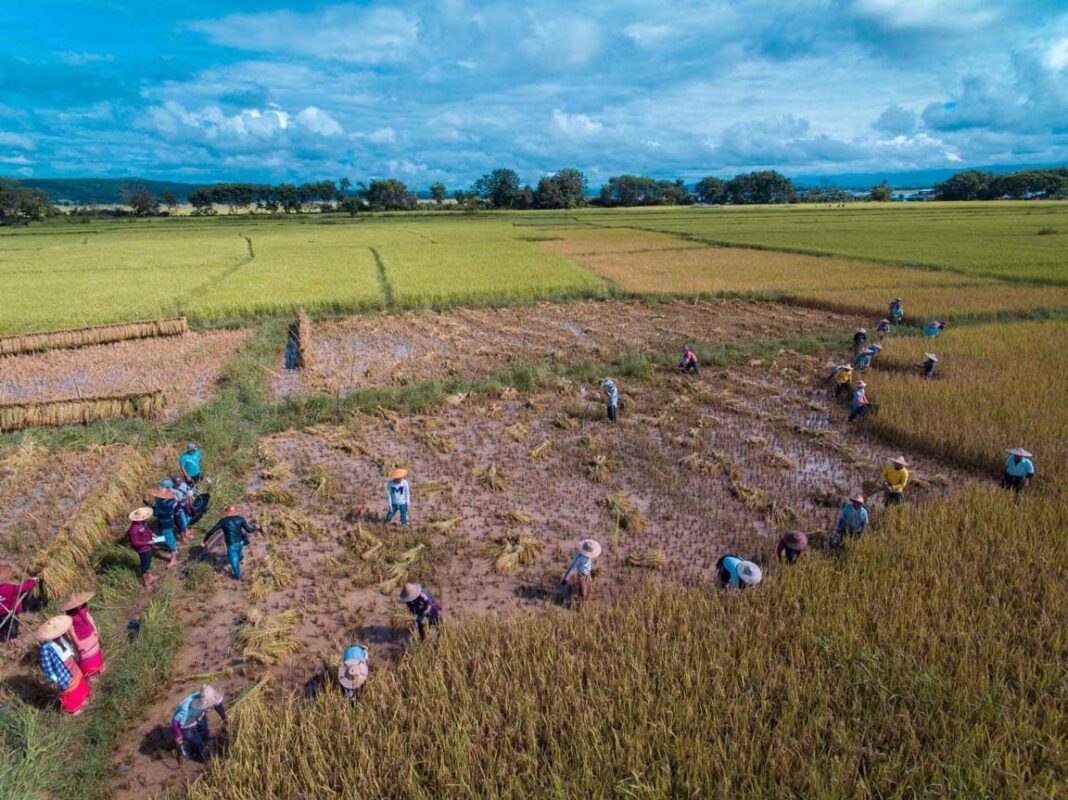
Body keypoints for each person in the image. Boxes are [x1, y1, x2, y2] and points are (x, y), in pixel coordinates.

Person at [37, 615, 91, 716]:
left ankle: (81, 700)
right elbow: (48, 667)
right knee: (70, 689)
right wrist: (55, 678)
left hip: (72, 666)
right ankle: (73, 708)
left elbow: (69, 649)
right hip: (62, 672)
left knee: (78, 683)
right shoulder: (46, 649)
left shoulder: (62, 638)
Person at [172, 684, 227, 763]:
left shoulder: (209, 695)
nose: (210, 708)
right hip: (186, 723)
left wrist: (224, 717)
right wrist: (178, 735)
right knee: (197, 743)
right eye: (209, 706)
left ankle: (203, 743)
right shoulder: (186, 709)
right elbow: (175, 721)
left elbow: (217, 705)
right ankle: (193, 753)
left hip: (199, 715)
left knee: (204, 733)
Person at [203, 506, 260, 580]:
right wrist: (256, 528)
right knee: (239, 553)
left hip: (231, 545)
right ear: (235, 511)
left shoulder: (223, 521)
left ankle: (238, 577)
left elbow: (212, 531)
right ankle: (241, 559)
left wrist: (205, 540)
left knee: (235, 565)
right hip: (240, 543)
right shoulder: (240, 519)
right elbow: (249, 530)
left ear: (227, 512)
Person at [61, 592, 105, 678]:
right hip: (81, 639)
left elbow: (89, 618)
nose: (79, 605)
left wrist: (95, 629)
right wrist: (76, 643)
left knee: (95, 649)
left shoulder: (84, 609)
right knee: (86, 655)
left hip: (90, 634)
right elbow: (71, 631)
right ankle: (90, 674)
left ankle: (99, 666)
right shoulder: (70, 617)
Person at [0, 565, 39, 642]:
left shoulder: (6, 587)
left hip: (2, 613)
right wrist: (33, 581)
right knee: (12, 626)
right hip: (8, 614)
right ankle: (11, 639)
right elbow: (23, 588)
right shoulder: (9, 588)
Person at [560, 538, 602, 605]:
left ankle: (585, 600)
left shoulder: (588, 557)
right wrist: (566, 579)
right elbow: (572, 568)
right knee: (582, 591)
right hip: (581, 576)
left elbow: (588, 565)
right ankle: (581, 602)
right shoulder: (580, 558)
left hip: (588, 574)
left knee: (589, 587)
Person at [149, 486, 178, 568]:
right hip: (170, 521)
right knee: (170, 534)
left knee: (168, 538)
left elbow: (155, 513)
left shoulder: (163, 505)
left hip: (165, 523)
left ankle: (173, 558)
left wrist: (153, 508)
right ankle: (175, 548)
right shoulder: (170, 501)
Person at [128, 507, 157, 588]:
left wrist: (152, 534)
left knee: (148, 562)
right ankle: (146, 582)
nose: (145, 519)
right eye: (143, 517)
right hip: (143, 549)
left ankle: (150, 576)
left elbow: (147, 530)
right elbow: (135, 543)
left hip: (149, 546)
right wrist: (147, 542)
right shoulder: (133, 530)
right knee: (144, 565)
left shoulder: (143, 523)